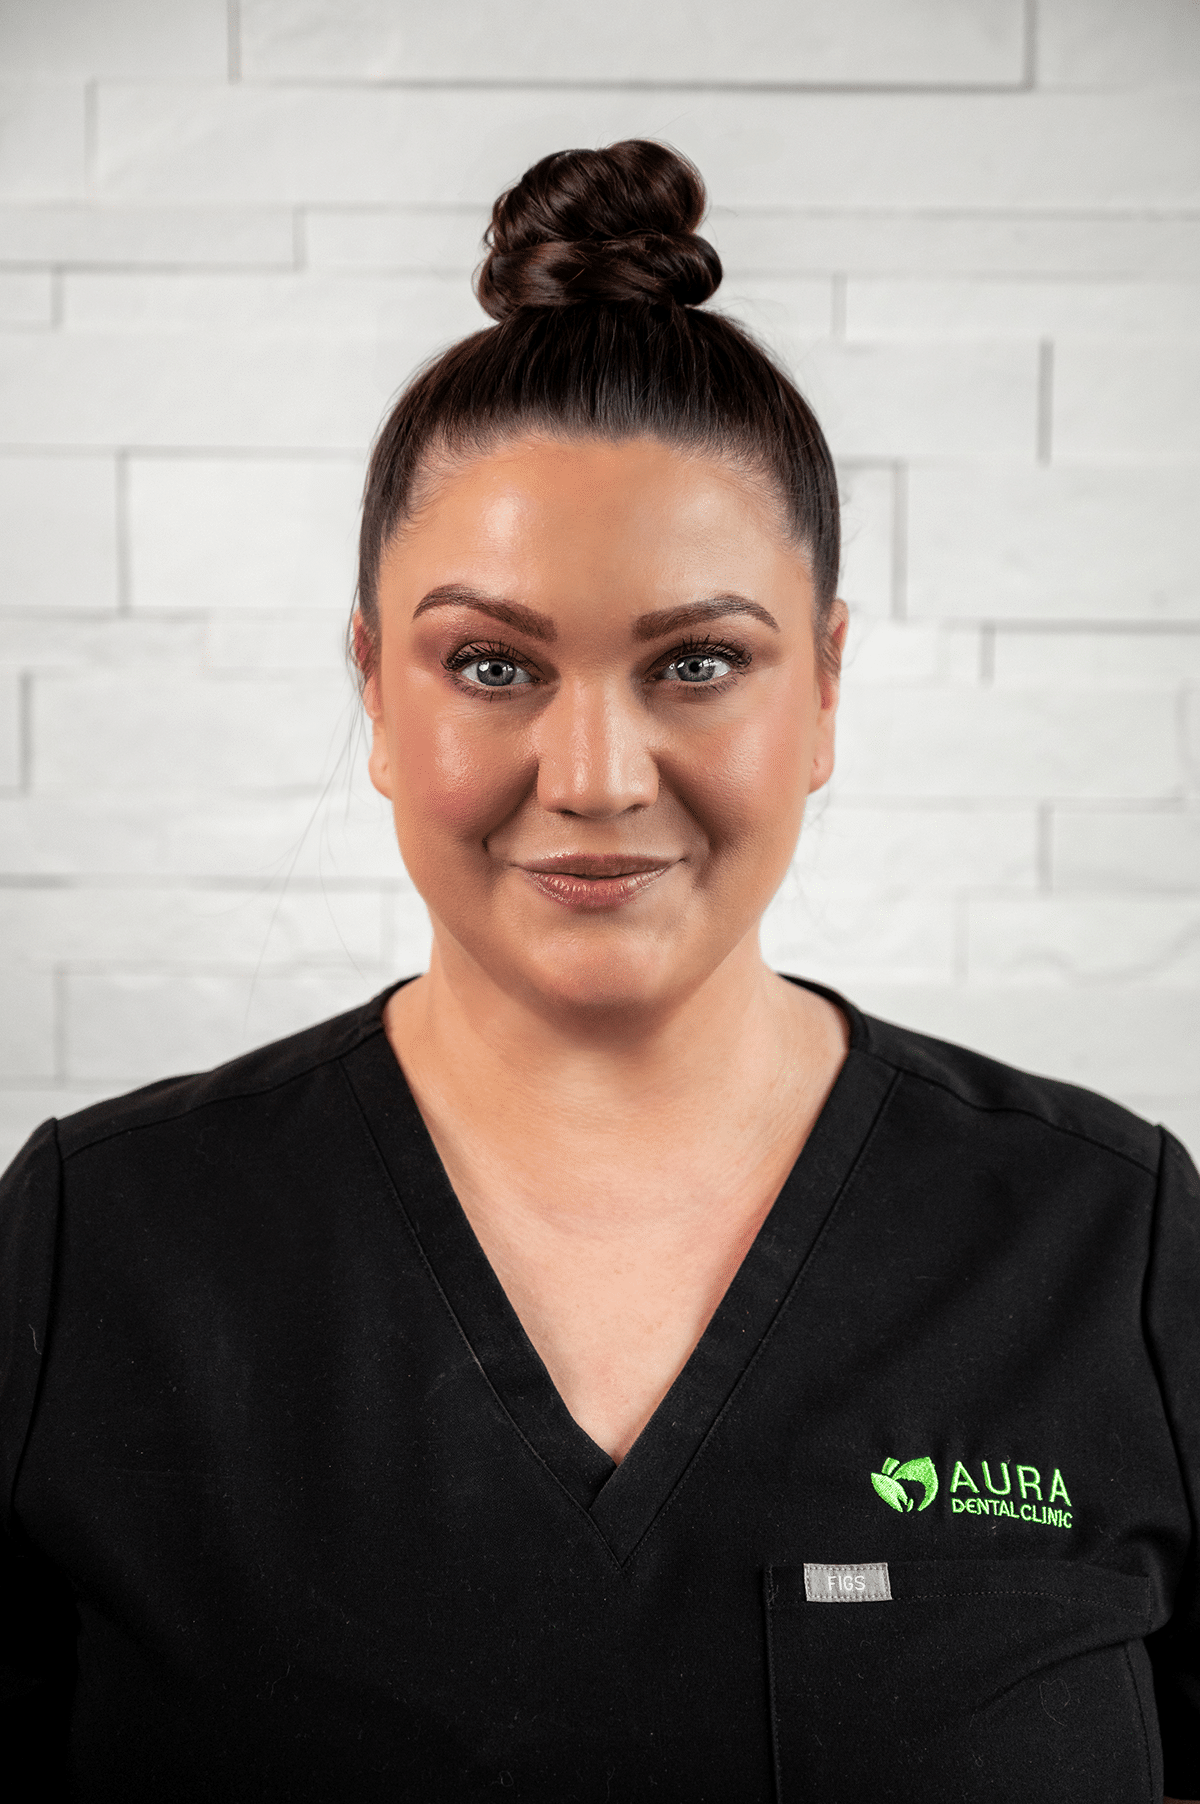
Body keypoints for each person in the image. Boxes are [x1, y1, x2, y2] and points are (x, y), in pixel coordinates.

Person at [0, 139, 1196, 1804]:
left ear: (828, 684)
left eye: (698, 662)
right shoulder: (96, 1250)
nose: (596, 774)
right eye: (491, 663)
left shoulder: (1109, 1244)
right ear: (373, 681)